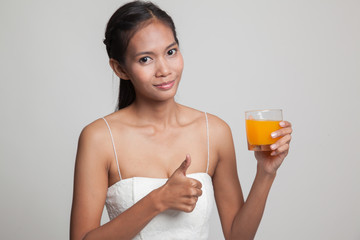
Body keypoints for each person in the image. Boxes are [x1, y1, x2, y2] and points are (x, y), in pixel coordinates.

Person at [70, 1, 293, 240]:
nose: (164, 69)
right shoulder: (99, 138)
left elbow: (238, 236)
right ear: (120, 69)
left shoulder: (214, 132)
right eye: (145, 59)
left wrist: (265, 173)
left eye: (170, 52)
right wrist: (158, 200)